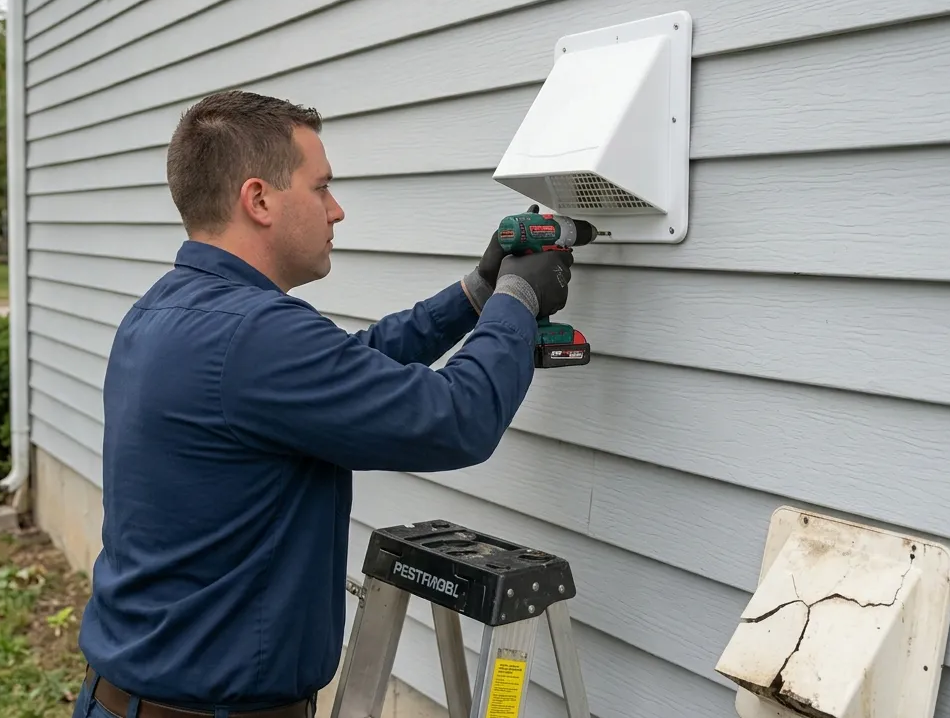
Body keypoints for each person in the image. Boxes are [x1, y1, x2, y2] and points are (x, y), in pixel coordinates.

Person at [70, 90, 577, 718]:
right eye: (321, 188)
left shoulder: (166, 311)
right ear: (258, 199)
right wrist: (519, 298)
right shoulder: (255, 335)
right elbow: (457, 420)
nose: (336, 211)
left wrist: (476, 294)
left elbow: (349, 365)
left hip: (126, 699)